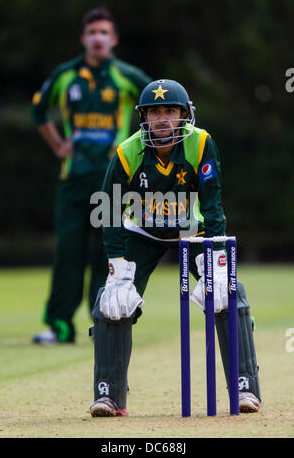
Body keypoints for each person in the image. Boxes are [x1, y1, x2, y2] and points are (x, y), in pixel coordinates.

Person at [89, 79, 261, 416]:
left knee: (227, 291)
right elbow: (109, 209)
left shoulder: (201, 144)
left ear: (184, 114)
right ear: (145, 117)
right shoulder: (127, 152)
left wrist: (217, 258)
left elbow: (212, 205)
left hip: (191, 231)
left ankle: (245, 387)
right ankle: (109, 395)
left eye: (171, 110)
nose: (163, 118)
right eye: (155, 111)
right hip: (141, 232)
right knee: (113, 301)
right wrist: (116, 264)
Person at [30, 8, 151, 344]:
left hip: (112, 183)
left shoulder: (126, 76)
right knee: (67, 253)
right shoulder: (66, 75)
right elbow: (38, 110)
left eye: (104, 33)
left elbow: (160, 103)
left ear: (113, 40)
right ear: (84, 38)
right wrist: (57, 144)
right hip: (74, 180)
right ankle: (60, 326)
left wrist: (139, 153)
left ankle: (104, 323)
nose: (98, 38)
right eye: (92, 32)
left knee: (108, 254)